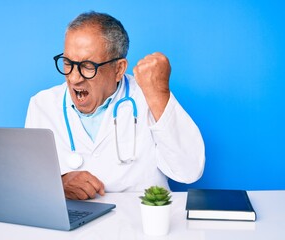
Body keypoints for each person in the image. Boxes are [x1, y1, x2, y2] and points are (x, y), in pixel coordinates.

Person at [25, 11, 205, 200]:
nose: (74, 78)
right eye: (68, 63)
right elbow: (29, 181)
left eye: (87, 66)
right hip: (74, 223)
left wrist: (159, 95)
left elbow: (189, 171)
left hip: (141, 222)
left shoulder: (149, 95)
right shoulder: (42, 104)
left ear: (118, 69)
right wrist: (58, 183)